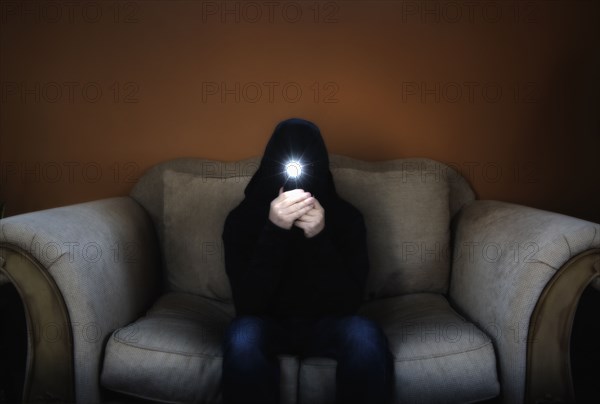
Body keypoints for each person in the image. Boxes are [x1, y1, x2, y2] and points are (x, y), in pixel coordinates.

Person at [221, 118, 394, 404]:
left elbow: (350, 305)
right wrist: (274, 230)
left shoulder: (348, 218)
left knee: (365, 336)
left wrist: (319, 237)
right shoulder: (242, 219)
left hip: (328, 323)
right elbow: (247, 305)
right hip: (267, 323)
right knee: (242, 338)